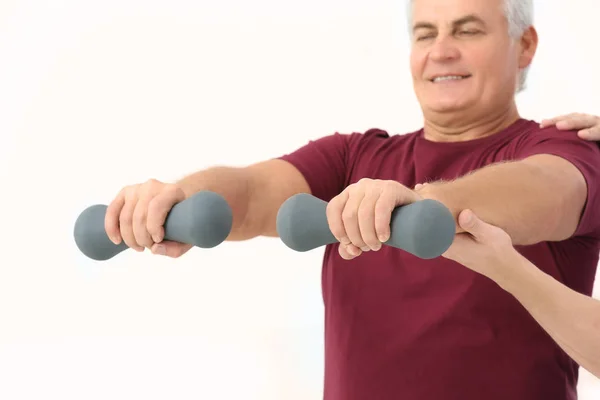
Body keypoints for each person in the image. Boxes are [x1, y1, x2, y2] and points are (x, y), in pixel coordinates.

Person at [103, 0, 600, 399]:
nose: (442, 50)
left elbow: (548, 191)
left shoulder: (565, 146)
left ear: (524, 45)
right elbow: (251, 194)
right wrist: (178, 196)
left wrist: (424, 203)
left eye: (468, 31)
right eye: (425, 33)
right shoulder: (354, 158)